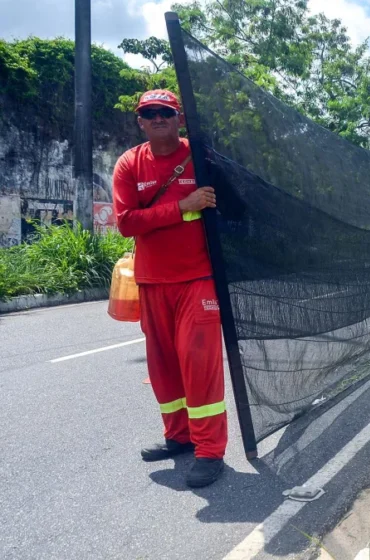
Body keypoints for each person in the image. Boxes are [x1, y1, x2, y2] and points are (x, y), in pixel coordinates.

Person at [112, 89, 227, 488]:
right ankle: (179, 437)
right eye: (150, 113)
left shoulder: (203, 156)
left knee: (199, 363)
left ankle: (210, 451)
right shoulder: (129, 163)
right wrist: (184, 205)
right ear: (140, 121)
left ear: (178, 118)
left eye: (166, 111)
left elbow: (233, 202)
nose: (158, 117)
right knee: (163, 368)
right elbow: (126, 222)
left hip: (199, 278)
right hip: (151, 281)